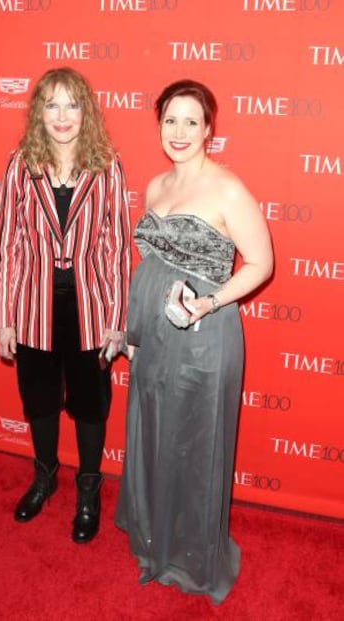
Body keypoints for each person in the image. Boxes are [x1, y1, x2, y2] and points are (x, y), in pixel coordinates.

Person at [115, 79, 273, 602]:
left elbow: (261, 264)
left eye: (191, 121)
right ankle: (157, 534)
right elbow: (152, 265)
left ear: (209, 129)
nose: (179, 132)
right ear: (158, 125)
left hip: (204, 332)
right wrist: (134, 332)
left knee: (195, 439)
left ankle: (192, 555)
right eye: (169, 121)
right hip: (154, 333)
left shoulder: (227, 188)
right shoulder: (156, 187)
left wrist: (209, 302)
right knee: (157, 429)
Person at [0, 67, 131, 543]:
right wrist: (4, 317)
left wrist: (116, 321)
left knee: (91, 405)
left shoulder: (107, 163)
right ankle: (45, 477)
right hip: (33, 306)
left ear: (86, 111)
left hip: (90, 309)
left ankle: (88, 490)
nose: (62, 116)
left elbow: (116, 248)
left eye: (72, 104)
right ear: (38, 113)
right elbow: (8, 244)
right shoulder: (20, 163)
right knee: (40, 399)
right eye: (51, 105)